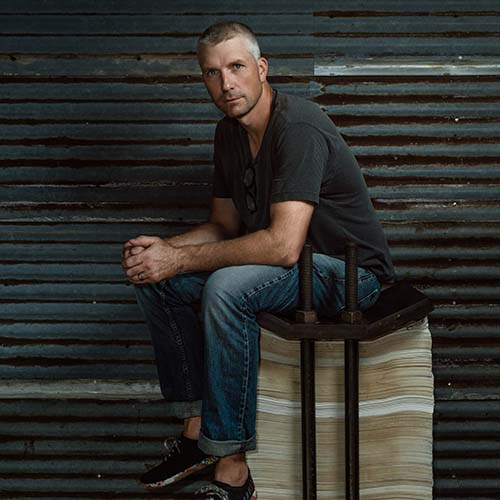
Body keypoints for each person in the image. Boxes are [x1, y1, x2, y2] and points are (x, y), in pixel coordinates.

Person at [121, 21, 394, 500]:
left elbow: (283, 246)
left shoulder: (299, 126)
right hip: (288, 273)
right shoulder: (227, 134)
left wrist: (181, 260)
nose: (226, 83)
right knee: (158, 281)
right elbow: (224, 226)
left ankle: (232, 469)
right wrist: (164, 252)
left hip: (347, 275)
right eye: (211, 73)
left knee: (226, 286)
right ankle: (195, 434)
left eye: (236, 67)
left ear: (261, 69)